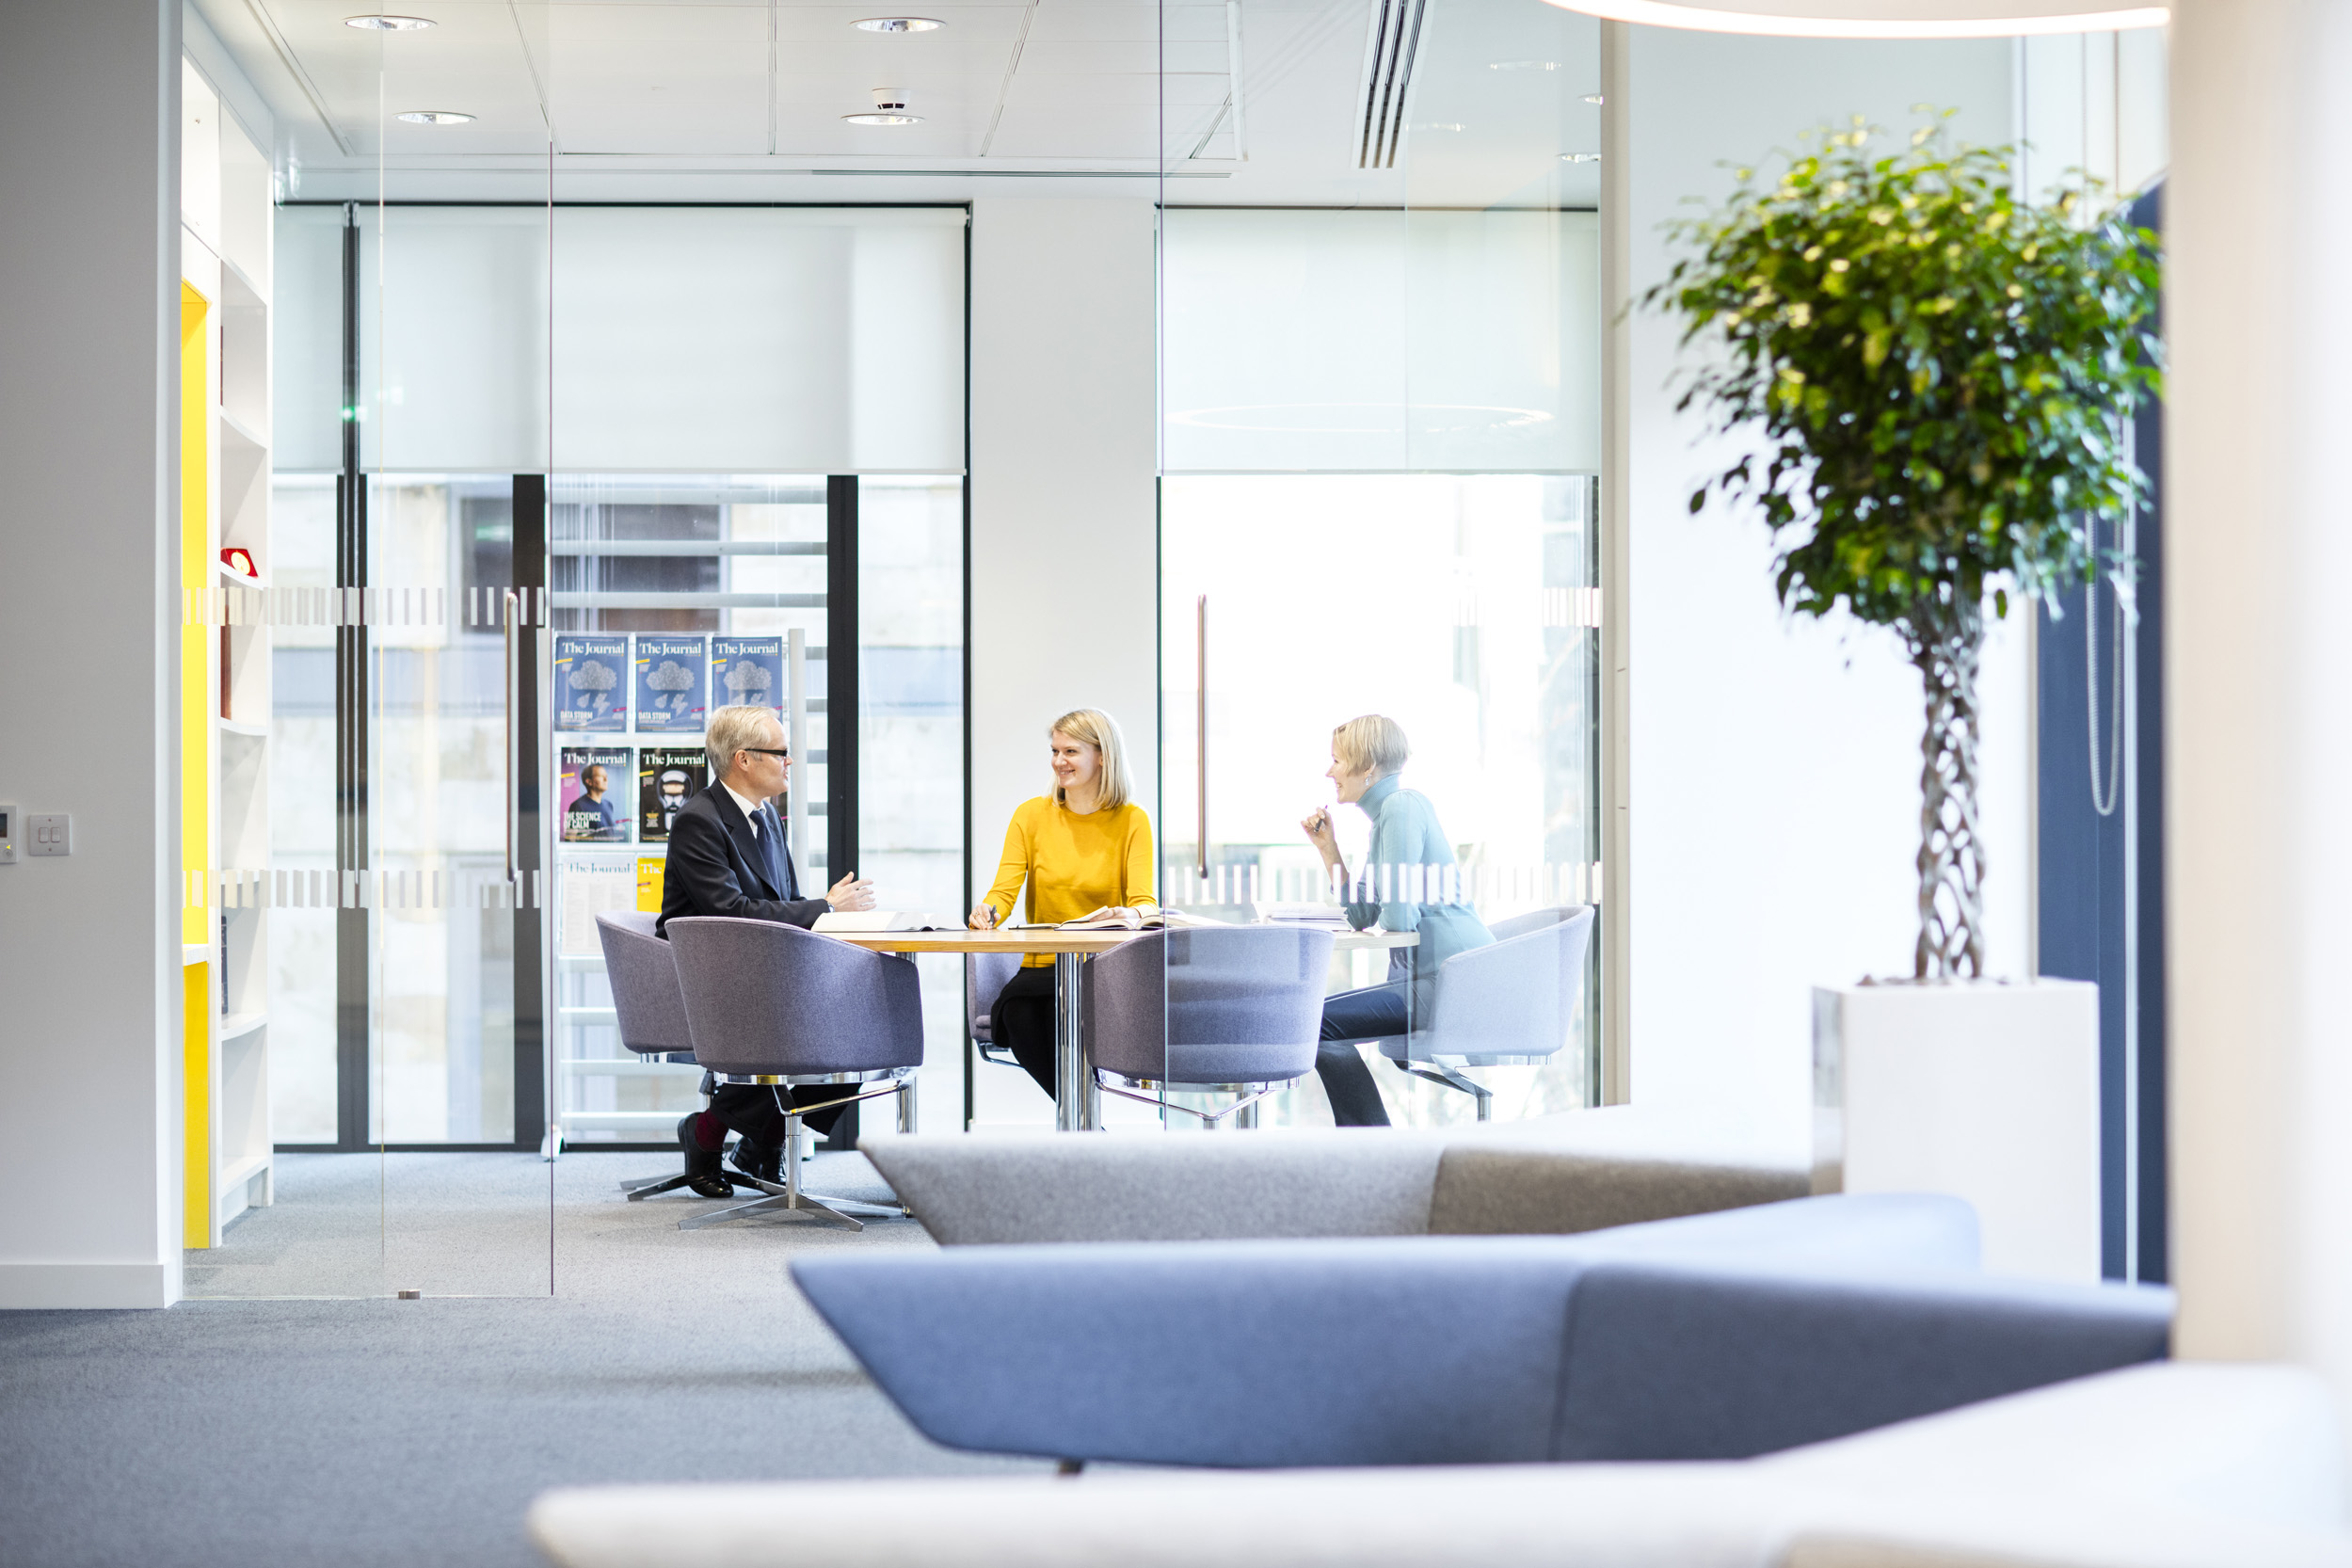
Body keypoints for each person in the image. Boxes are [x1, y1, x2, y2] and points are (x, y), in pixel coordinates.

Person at [658, 703, 877, 1196]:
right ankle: (727, 1135)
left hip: (763, 967)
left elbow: (780, 903)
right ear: (744, 759)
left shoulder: (768, 818)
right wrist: (826, 907)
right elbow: (731, 911)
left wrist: (829, 911)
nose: (790, 762)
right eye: (781, 753)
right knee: (829, 1023)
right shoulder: (699, 820)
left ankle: (746, 1139)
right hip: (710, 976)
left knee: (861, 1020)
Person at [1301, 714, 1493, 1127]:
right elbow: (1362, 914)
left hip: (1454, 981)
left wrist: (1387, 893)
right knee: (1306, 1017)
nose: (1329, 771)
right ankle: (1372, 1142)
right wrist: (1328, 849)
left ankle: (1373, 1145)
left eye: (1337, 760)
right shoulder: (1385, 820)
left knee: (1309, 1020)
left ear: (1367, 767)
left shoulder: (1402, 808)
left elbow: (1400, 917)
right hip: (1430, 978)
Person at [968, 709, 1155, 1100]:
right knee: (1017, 1014)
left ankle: (1086, 1136)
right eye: (1054, 751)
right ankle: (1088, 1130)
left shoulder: (1132, 821)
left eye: (1070, 751)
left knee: (1091, 1021)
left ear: (1102, 755)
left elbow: (1144, 904)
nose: (1058, 762)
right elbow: (1003, 893)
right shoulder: (1031, 816)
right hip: (1043, 971)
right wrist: (988, 910)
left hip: (1104, 972)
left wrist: (1131, 914)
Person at [566, 763, 622, 841]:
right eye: (601, 776)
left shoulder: (608, 805)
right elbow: (570, 839)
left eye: (606, 776)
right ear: (589, 782)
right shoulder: (578, 806)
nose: (606, 780)